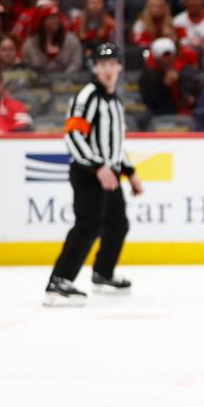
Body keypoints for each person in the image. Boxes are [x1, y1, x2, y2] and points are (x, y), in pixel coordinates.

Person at [45, 43, 144, 307]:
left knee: (118, 223)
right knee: (88, 225)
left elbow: (115, 145)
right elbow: (74, 135)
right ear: (94, 68)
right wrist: (97, 167)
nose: (108, 69)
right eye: (102, 64)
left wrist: (130, 172)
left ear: (120, 66)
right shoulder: (87, 96)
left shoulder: (114, 100)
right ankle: (59, 281)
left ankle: (103, 274)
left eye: (113, 63)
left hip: (109, 174)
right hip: (89, 173)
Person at [139, 37, 203, 115]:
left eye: (169, 56)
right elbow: (149, 101)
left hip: (188, 114)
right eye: (163, 57)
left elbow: (200, 95)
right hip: (159, 115)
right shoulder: (148, 76)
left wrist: (193, 100)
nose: (167, 60)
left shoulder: (188, 72)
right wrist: (164, 85)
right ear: (157, 60)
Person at [21, 5, 81, 74]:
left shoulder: (72, 40)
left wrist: (63, 77)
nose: (55, 21)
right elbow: (26, 65)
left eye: (57, 18)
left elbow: (76, 63)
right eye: (51, 18)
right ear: (42, 21)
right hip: (38, 82)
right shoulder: (30, 44)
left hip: (67, 81)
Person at [0, 68, 32, 133]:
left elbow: (25, 126)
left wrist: (5, 131)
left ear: (2, 84)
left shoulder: (16, 105)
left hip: (10, 141)